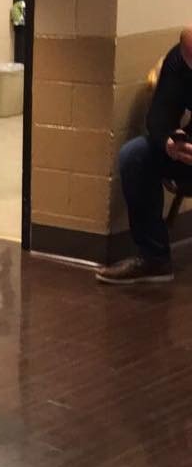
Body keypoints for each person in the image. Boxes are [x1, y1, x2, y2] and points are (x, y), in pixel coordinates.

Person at [96, 25, 192, 284]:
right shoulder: (179, 60)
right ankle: (154, 258)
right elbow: (158, 116)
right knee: (135, 155)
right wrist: (168, 141)